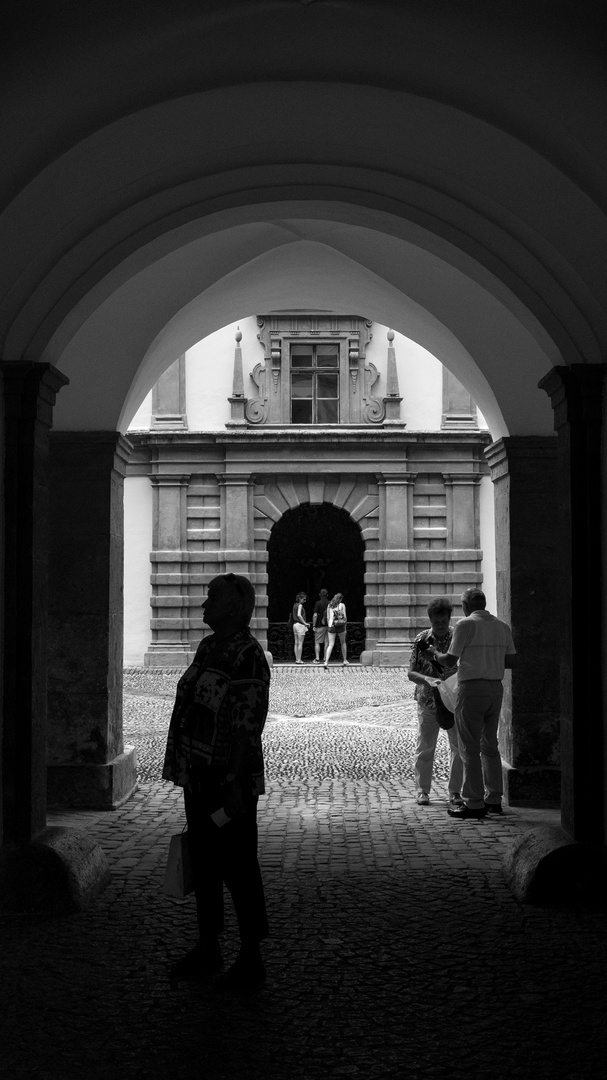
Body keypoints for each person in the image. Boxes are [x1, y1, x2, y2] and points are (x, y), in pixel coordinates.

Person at [162, 573, 271, 987]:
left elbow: (247, 722)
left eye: (213, 597)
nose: (205, 604)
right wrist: (186, 766)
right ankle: (208, 944)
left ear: (235, 605)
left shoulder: (247, 654)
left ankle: (251, 955)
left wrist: (234, 780)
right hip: (200, 774)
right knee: (205, 861)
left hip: (228, 778)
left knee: (239, 864)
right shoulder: (210, 647)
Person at [429, 587, 517, 819]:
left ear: (466, 606)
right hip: (495, 688)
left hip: (471, 689)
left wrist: (435, 654)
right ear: (484, 603)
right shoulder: (502, 626)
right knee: (490, 744)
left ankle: (474, 802)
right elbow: (512, 660)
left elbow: (450, 659)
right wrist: (490, 660)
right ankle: (494, 799)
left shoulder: (465, 625)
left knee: (469, 746)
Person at [408, 597, 464, 808]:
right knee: (425, 747)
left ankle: (455, 791)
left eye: (443, 621)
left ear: (449, 618)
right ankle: (422, 790)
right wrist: (427, 680)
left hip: (453, 701)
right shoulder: (422, 639)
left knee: (458, 748)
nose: (440, 625)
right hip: (427, 700)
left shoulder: (458, 638)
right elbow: (411, 673)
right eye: (436, 621)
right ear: (430, 618)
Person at [324, 593, 349, 667]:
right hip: (340, 625)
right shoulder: (342, 605)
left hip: (331, 626)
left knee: (330, 644)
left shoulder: (329, 605)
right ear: (340, 599)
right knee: (343, 643)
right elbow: (345, 617)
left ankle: (326, 662)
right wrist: (345, 626)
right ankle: (344, 660)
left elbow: (328, 618)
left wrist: (329, 625)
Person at [312, 588, 329, 663]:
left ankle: (317, 658)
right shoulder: (330, 603)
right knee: (327, 642)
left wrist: (314, 625)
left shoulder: (318, 603)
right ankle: (325, 657)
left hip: (319, 625)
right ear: (327, 595)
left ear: (320, 595)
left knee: (317, 642)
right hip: (328, 625)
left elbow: (315, 615)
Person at [292, 591, 309, 664]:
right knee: (300, 643)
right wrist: (305, 623)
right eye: (304, 599)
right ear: (300, 599)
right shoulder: (300, 605)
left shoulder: (294, 605)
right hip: (300, 625)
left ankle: (297, 659)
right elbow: (299, 615)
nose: (305, 601)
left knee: (296, 642)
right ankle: (299, 659)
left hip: (295, 624)